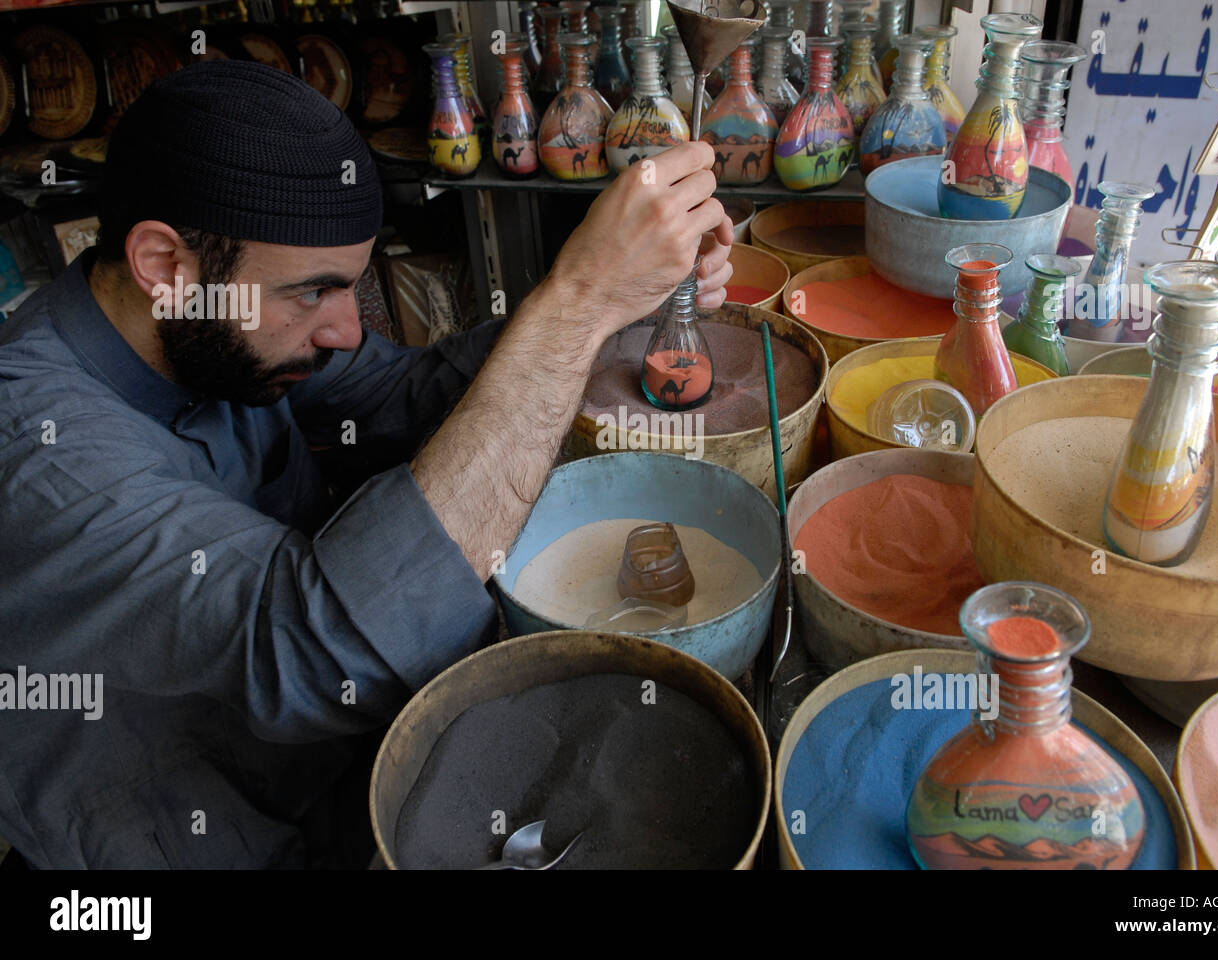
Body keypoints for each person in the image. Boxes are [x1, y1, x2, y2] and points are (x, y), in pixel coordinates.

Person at [0, 61, 733, 868]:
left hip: (346, 760)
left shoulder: (215, 334)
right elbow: (322, 648)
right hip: (181, 830)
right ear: (167, 266)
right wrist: (578, 302)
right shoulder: (40, 451)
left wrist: (618, 301)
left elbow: (408, 395)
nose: (347, 330)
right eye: (313, 293)